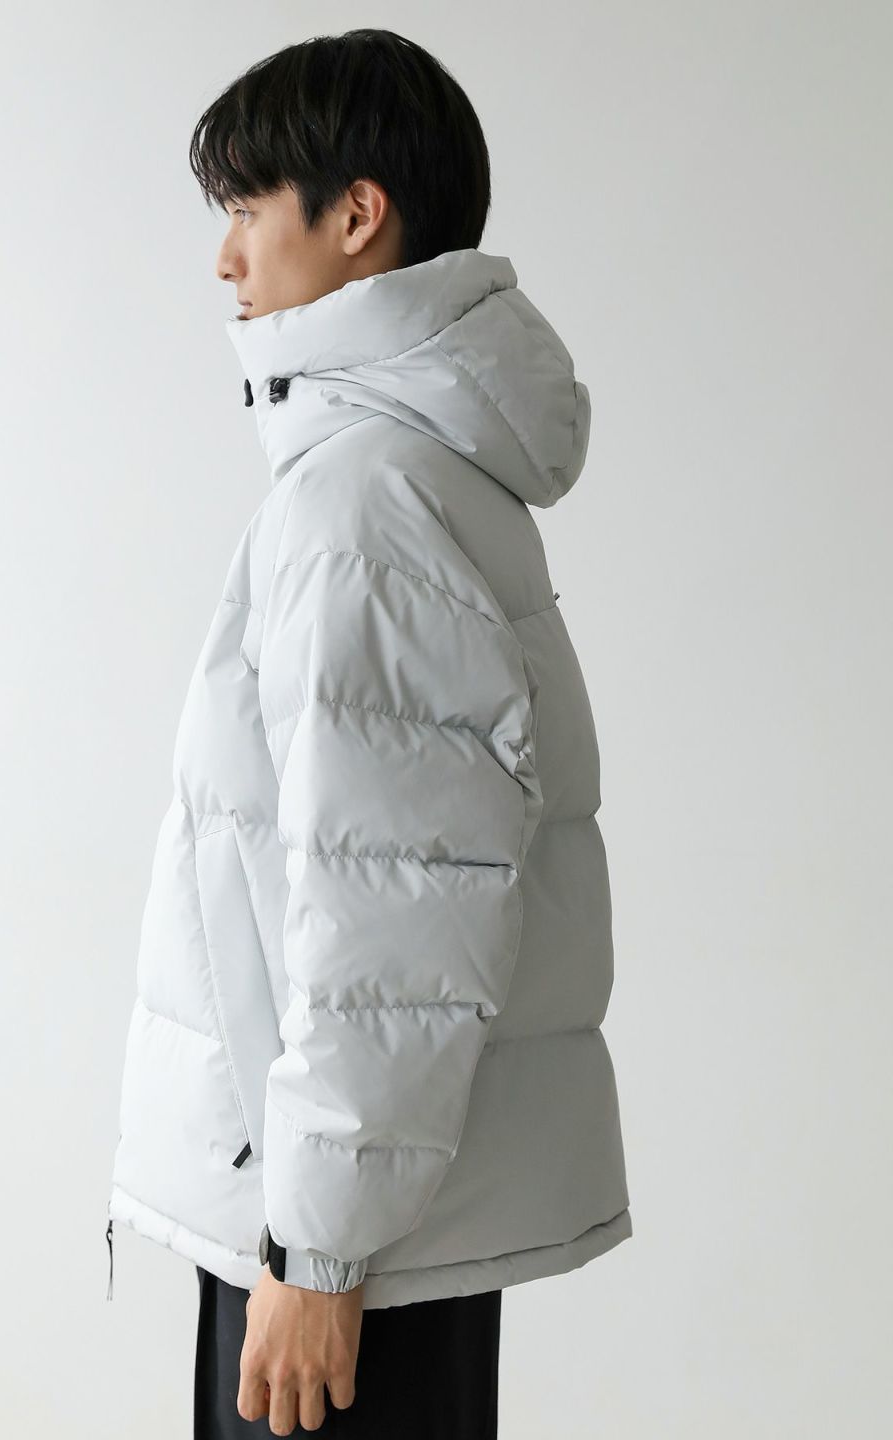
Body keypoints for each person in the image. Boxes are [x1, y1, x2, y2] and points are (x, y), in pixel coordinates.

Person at [106, 27, 632, 1438]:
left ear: (356, 214)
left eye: (246, 206)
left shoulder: (362, 504)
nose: (225, 258)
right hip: (366, 1215)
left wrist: (318, 1252)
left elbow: (394, 906)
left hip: (342, 1246)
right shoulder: (404, 477)